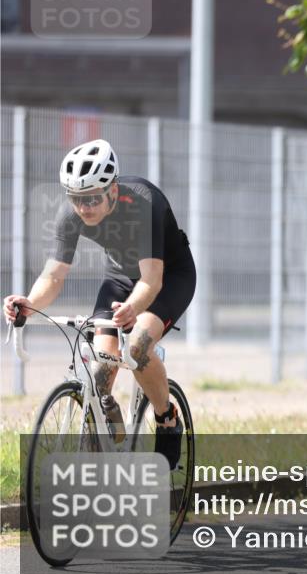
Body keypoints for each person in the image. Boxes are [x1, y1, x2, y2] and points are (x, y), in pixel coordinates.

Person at [3, 139, 196, 467]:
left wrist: (134, 309)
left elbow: (151, 280)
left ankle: (167, 418)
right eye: (76, 198)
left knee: (138, 346)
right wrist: (29, 302)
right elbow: (54, 276)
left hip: (168, 276)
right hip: (120, 277)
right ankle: (103, 435)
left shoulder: (144, 203)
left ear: (113, 190)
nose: (84, 207)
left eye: (92, 198)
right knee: (100, 366)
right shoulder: (71, 214)